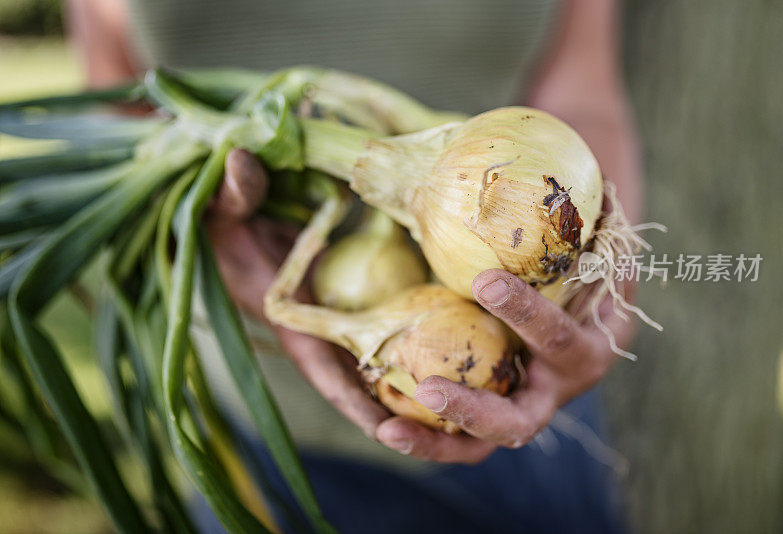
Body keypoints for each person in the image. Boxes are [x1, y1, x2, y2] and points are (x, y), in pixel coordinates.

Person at [67, 0, 642, 531]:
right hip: (263, 408)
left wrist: (611, 288)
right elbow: (123, 103)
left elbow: (582, 94)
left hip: (525, 364)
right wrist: (201, 222)